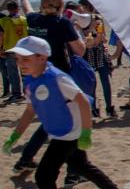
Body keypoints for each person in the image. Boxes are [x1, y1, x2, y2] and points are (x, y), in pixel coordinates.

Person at [1, 36, 117, 188]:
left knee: (43, 176)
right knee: (82, 166)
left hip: (69, 133)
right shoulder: (30, 81)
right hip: (58, 131)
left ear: (42, 58)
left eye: (26, 59)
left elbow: (82, 101)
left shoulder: (57, 78)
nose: (20, 64)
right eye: (18, 59)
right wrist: (15, 136)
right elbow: (30, 110)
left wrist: (86, 133)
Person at [14, 0, 89, 185]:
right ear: (61, 5)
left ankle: (25, 158)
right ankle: (74, 172)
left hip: (38, 76)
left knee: (49, 120)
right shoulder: (62, 22)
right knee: (74, 121)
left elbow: (28, 9)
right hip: (59, 78)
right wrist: (83, 36)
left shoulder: (34, 20)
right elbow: (80, 51)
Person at [78, 0, 116, 118]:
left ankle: (109, 108)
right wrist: (91, 34)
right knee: (91, 83)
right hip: (88, 54)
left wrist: (92, 40)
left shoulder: (97, 18)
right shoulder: (81, 20)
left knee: (104, 81)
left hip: (97, 53)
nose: (80, 9)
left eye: (82, 6)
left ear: (86, 6)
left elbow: (101, 36)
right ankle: (94, 109)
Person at [0, 0, 28, 103]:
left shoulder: (3, 21)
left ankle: (17, 94)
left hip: (10, 48)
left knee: (13, 73)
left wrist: (0, 48)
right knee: (25, 71)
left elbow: (1, 36)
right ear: (17, 8)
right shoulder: (24, 20)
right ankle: (26, 92)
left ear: (8, 9)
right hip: (23, 48)